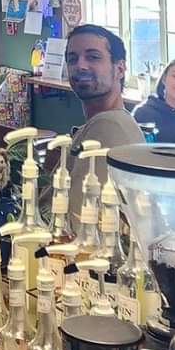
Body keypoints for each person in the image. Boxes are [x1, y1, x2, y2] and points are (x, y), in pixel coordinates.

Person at [42, 24, 144, 227]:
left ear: (120, 69)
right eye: (73, 58)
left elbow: (76, 223)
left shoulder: (109, 127)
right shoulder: (104, 124)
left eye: (93, 57)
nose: (81, 65)